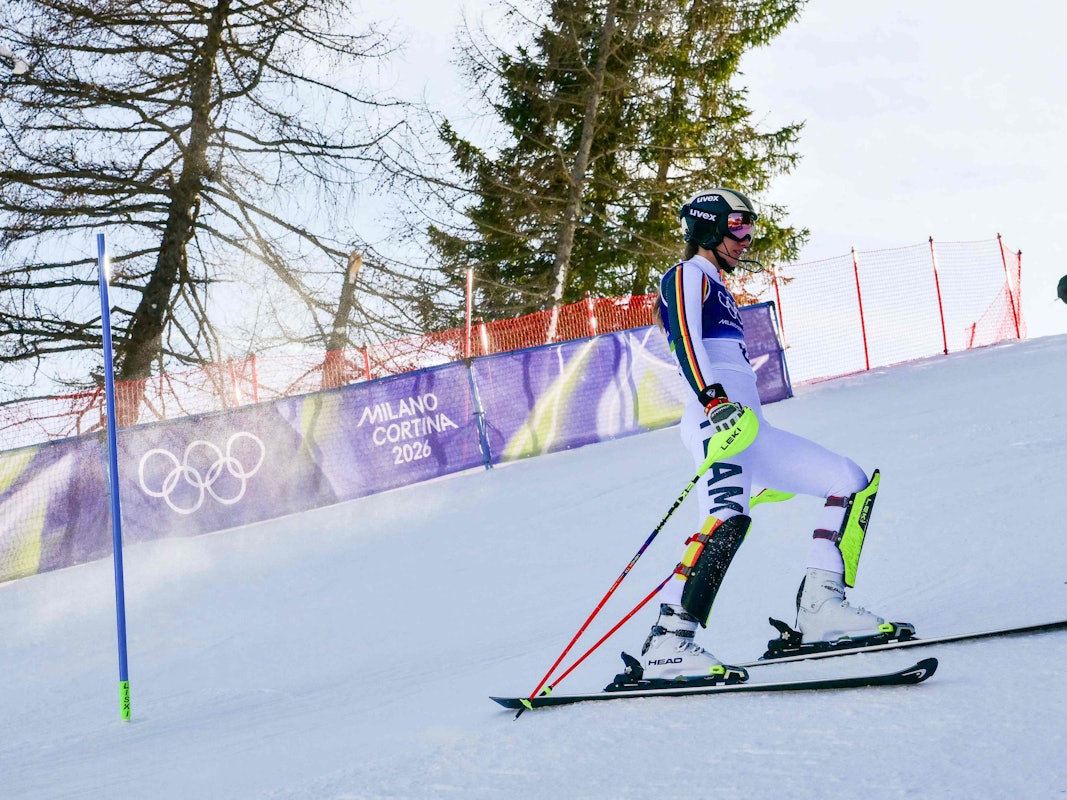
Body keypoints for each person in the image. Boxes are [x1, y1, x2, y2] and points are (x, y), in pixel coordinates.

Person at [637, 187, 909, 682]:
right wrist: (712, 400)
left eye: (749, 227)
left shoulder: (717, 284)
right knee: (725, 519)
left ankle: (822, 607)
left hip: (750, 430)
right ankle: (668, 644)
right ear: (706, 226)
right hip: (716, 424)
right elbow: (685, 339)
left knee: (848, 480)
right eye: (736, 226)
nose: (745, 238)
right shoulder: (685, 275)